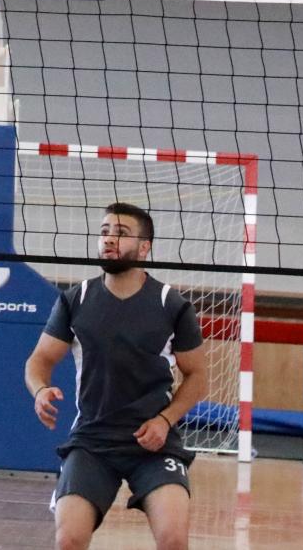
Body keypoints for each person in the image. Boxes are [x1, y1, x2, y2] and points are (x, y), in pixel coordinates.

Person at [23, 203, 209, 550]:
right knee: (69, 539)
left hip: (153, 443)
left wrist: (165, 421)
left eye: (121, 233)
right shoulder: (76, 299)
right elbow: (39, 360)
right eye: (105, 231)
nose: (109, 240)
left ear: (144, 247)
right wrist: (40, 390)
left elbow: (197, 376)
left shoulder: (171, 304)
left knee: (173, 540)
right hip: (93, 440)